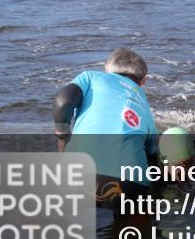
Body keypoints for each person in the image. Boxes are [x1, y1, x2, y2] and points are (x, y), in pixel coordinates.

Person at [53, 48, 159, 214]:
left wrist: (63, 141)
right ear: (143, 81)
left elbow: (63, 101)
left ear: (107, 70)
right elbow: (152, 153)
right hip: (129, 183)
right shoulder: (143, 104)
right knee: (133, 231)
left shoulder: (91, 77)